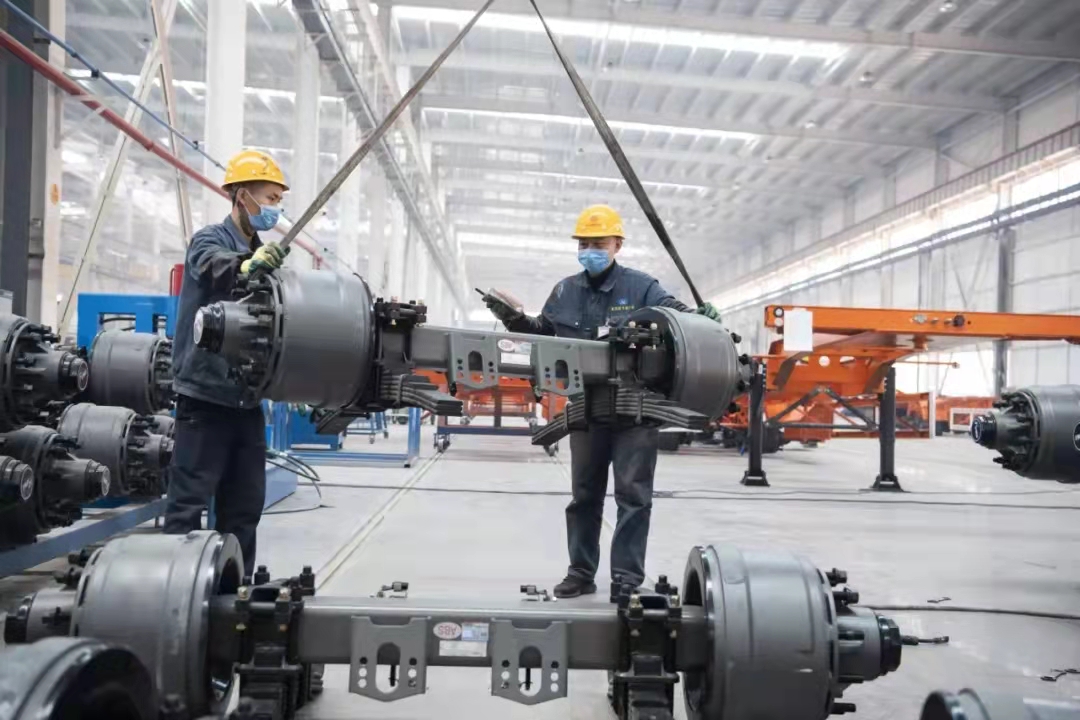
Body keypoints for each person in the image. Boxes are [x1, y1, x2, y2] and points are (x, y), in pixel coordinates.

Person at [485, 204, 722, 601]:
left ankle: (626, 580)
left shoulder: (643, 288)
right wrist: (514, 317)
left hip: (635, 411)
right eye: (584, 244)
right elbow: (543, 332)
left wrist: (704, 317)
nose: (590, 250)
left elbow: (681, 318)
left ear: (617, 245)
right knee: (584, 497)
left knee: (633, 498)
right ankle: (580, 573)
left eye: (598, 244)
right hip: (587, 409)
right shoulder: (565, 291)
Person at [165, 149, 290, 577]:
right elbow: (215, 267)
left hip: (246, 400)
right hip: (204, 398)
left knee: (244, 508)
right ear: (241, 195)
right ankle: (175, 593)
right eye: (269, 198)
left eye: (278, 200)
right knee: (188, 506)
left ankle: (233, 594)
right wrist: (247, 265)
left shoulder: (265, 256)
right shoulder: (210, 241)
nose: (274, 208)